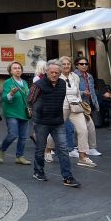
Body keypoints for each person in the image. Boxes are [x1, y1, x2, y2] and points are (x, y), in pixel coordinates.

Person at [29, 60, 80, 188]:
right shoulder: (38, 85)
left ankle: (67, 177)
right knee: (40, 148)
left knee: (63, 148)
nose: (54, 74)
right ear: (46, 72)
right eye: (51, 72)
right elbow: (30, 100)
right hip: (41, 122)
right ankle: (38, 171)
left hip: (58, 121)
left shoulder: (63, 84)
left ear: (60, 73)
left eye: (57, 72)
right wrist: (37, 114)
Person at [49, 56, 95, 168]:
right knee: (55, 128)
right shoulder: (56, 76)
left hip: (75, 106)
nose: (66, 66)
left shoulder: (75, 76)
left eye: (68, 64)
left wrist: (80, 103)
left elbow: (78, 92)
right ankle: (47, 150)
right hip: (62, 106)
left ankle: (82, 157)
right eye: (63, 64)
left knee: (83, 130)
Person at [0, 62, 31, 165]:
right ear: (10, 71)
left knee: (23, 136)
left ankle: (19, 156)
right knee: (12, 134)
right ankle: (2, 149)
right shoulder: (8, 82)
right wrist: (11, 93)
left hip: (24, 112)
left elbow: (27, 96)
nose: (17, 70)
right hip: (12, 112)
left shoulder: (24, 82)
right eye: (15, 68)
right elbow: (4, 99)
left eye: (19, 68)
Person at [74, 57, 101, 156]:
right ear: (77, 65)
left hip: (87, 104)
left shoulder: (89, 76)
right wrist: (82, 92)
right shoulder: (74, 76)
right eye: (82, 64)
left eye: (86, 64)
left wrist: (95, 103)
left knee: (88, 127)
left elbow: (92, 91)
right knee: (84, 127)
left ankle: (90, 148)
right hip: (77, 104)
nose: (84, 65)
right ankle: (82, 147)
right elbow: (71, 90)